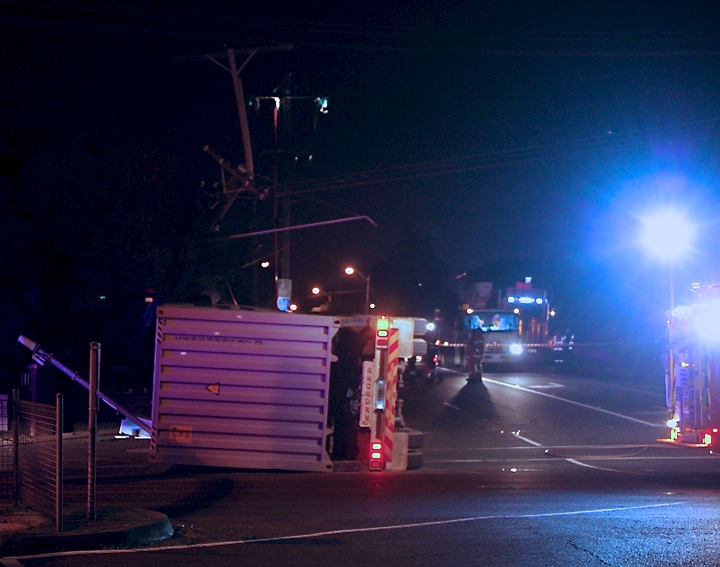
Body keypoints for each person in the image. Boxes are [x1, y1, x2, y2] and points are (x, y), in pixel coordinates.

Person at [465, 314, 485, 383]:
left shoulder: (476, 334)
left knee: (473, 365)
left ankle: (474, 377)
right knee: (476, 365)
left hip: (474, 353)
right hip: (475, 353)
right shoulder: (476, 333)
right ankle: (476, 376)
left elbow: (474, 343)